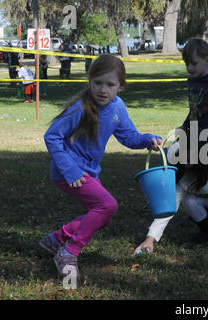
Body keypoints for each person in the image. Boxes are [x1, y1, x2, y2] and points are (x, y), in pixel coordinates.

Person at [39, 54, 163, 282]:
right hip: (69, 173)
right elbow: (52, 136)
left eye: (110, 84)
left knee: (102, 218)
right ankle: (68, 252)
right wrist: (70, 170)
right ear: (89, 81)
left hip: (88, 173)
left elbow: (129, 136)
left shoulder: (118, 106)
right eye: (98, 83)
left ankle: (56, 238)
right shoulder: (79, 108)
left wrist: (148, 140)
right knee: (107, 205)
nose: (103, 89)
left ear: (121, 86)